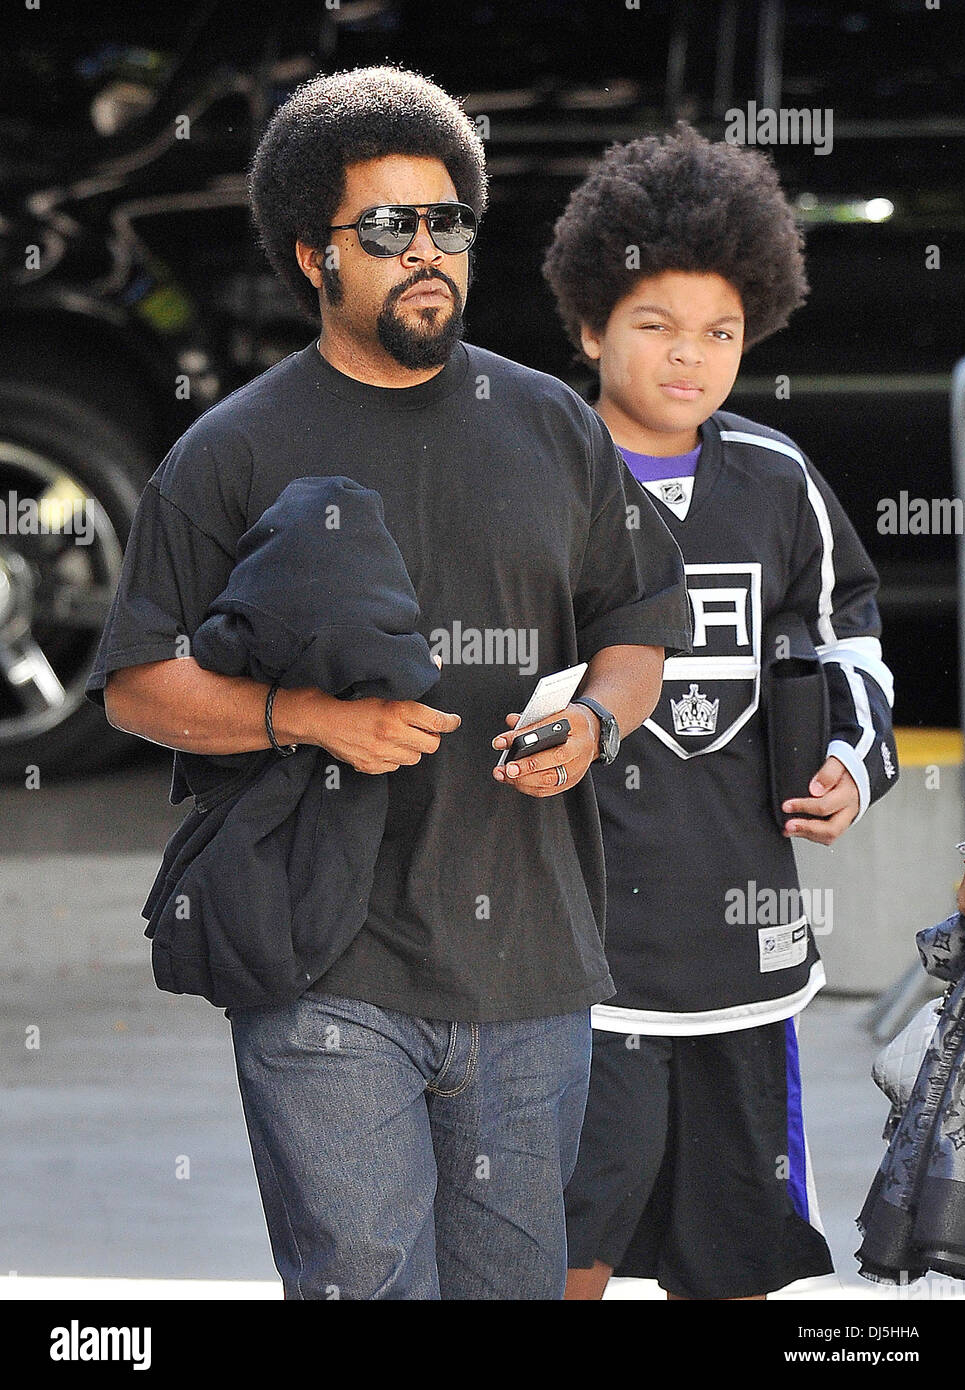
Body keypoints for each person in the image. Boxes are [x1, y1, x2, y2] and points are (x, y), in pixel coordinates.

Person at [83, 66, 692, 1300]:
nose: (429, 252)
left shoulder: (549, 424)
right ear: (317, 255)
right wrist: (307, 719)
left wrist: (594, 721)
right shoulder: (233, 449)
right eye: (390, 228)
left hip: (529, 961)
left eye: (447, 222)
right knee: (365, 1282)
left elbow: (640, 620)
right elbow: (136, 683)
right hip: (322, 962)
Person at [541, 123, 899, 1301]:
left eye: (721, 333)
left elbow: (851, 627)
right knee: (565, 1238)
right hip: (574, 953)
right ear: (592, 325)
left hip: (741, 946)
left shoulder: (777, 478)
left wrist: (851, 756)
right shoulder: (541, 473)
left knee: (740, 1246)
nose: (690, 358)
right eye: (655, 326)